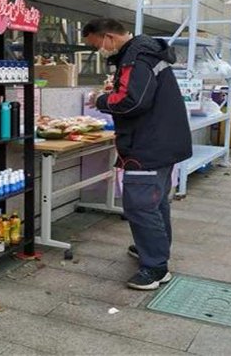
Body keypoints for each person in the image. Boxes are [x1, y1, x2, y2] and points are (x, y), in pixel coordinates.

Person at [84, 18, 192, 290]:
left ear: (108, 37)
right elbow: (140, 93)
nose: (100, 51)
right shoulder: (146, 51)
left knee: (141, 206)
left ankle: (155, 268)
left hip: (148, 144)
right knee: (156, 203)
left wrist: (99, 100)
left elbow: (133, 101)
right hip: (164, 141)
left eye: (97, 45)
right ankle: (153, 249)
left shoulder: (136, 57)